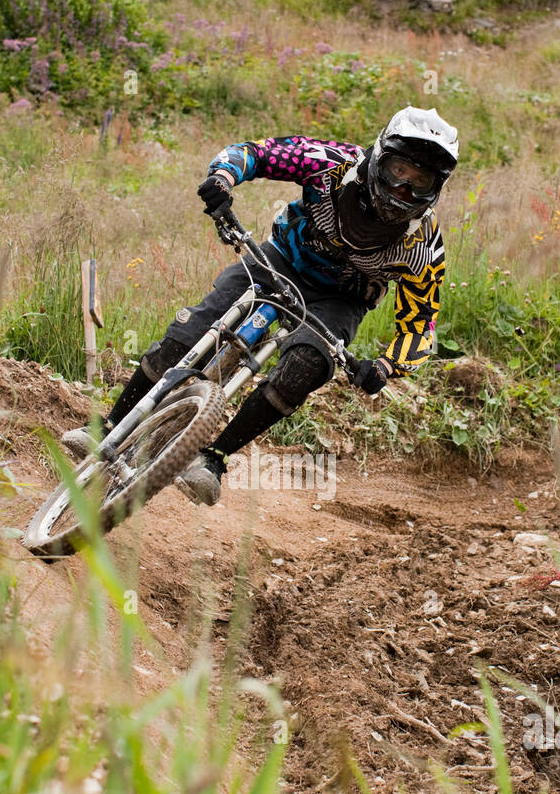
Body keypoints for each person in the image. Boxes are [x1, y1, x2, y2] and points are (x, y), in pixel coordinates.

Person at [63, 106, 459, 505]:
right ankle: (109, 426)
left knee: (304, 368)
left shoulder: (424, 246)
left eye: (419, 181)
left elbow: (421, 325)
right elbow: (258, 153)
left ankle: (212, 458)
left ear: (435, 188)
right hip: (280, 259)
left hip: (340, 301)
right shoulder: (331, 165)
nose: (403, 190)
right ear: (379, 159)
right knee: (191, 333)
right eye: (398, 172)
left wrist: (387, 365)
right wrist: (222, 177)